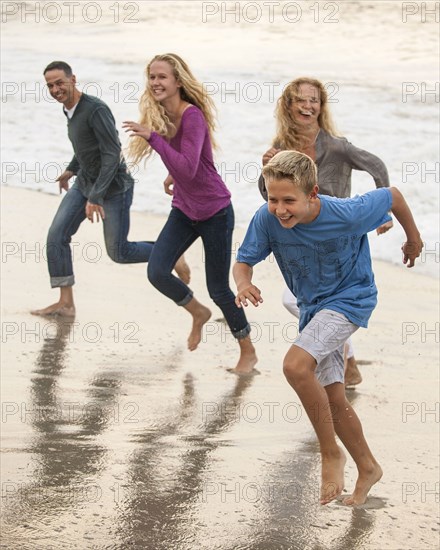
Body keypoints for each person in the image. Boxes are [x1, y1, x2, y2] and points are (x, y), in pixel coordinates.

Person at [234, 150, 423, 505]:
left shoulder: (347, 213)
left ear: (313, 194)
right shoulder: (267, 218)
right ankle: (368, 466)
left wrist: (413, 238)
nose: (280, 209)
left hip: (351, 298)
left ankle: (329, 453)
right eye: (273, 199)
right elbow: (244, 260)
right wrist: (243, 283)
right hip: (313, 308)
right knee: (333, 397)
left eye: (289, 200)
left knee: (294, 366)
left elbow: (393, 196)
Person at [122, 53, 257, 373]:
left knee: (219, 289)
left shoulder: (192, 115)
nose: (155, 82)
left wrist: (154, 139)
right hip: (184, 209)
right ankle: (197, 311)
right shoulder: (163, 116)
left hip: (214, 211)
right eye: (151, 77)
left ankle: (248, 351)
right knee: (156, 272)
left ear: (178, 82)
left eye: (162, 77)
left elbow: (189, 165)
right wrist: (172, 172)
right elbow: (185, 163)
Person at [258, 77, 393, 387]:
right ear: (288, 105)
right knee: (299, 300)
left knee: (301, 301)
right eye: (301, 100)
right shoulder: (281, 149)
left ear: (321, 106)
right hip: (300, 240)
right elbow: (271, 198)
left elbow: (377, 165)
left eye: (314, 100)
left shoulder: (334, 145)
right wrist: (263, 168)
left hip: (338, 238)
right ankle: (344, 363)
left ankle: (339, 361)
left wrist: (383, 213)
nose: (308, 106)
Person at [31, 61, 190, 317]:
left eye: (59, 82)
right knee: (56, 237)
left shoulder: (95, 110)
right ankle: (66, 303)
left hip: (114, 188)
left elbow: (112, 153)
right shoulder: (69, 110)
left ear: (73, 80)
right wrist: (71, 169)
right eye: (50, 85)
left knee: (119, 252)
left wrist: (96, 196)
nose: (55, 89)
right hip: (85, 183)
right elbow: (86, 146)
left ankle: (172, 254)